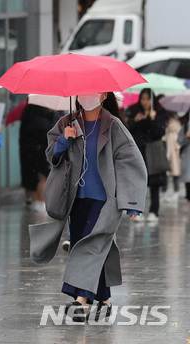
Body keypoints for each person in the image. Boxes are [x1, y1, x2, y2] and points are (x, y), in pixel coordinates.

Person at [40, 92, 147, 322]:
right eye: (83, 91)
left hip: (106, 200)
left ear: (104, 95)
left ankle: (81, 301)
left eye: (93, 91)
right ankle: (105, 300)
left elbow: (131, 161)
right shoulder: (66, 123)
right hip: (76, 198)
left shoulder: (113, 125)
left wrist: (132, 203)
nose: (87, 96)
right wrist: (63, 140)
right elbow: (52, 157)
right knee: (90, 244)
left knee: (90, 245)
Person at [125, 88, 168, 222]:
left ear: (152, 100)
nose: (144, 102)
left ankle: (154, 211)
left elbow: (160, 133)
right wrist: (135, 120)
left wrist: (154, 119)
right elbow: (127, 131)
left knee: (154, 183)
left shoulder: (159, 112)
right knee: (138, 181)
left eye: (147, 99)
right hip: (138, 150)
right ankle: (137, 210)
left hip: (153, 151)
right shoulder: (134, 111)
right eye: (142, 99)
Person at [19, 103, 59, 213]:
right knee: (45, 175)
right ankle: (40, 203)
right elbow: (45, 131)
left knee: (36, 176)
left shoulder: (34, 112)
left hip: (35, 150)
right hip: (39, 151)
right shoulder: (37, 114)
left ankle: (34, 201)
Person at [162, 107, 182, 203]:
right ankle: (171, 192)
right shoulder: (172, 124)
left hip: (173, 151)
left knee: (173, 173)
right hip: (172, 151)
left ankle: (173, 192)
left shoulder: (170, 125)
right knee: (171, 173)